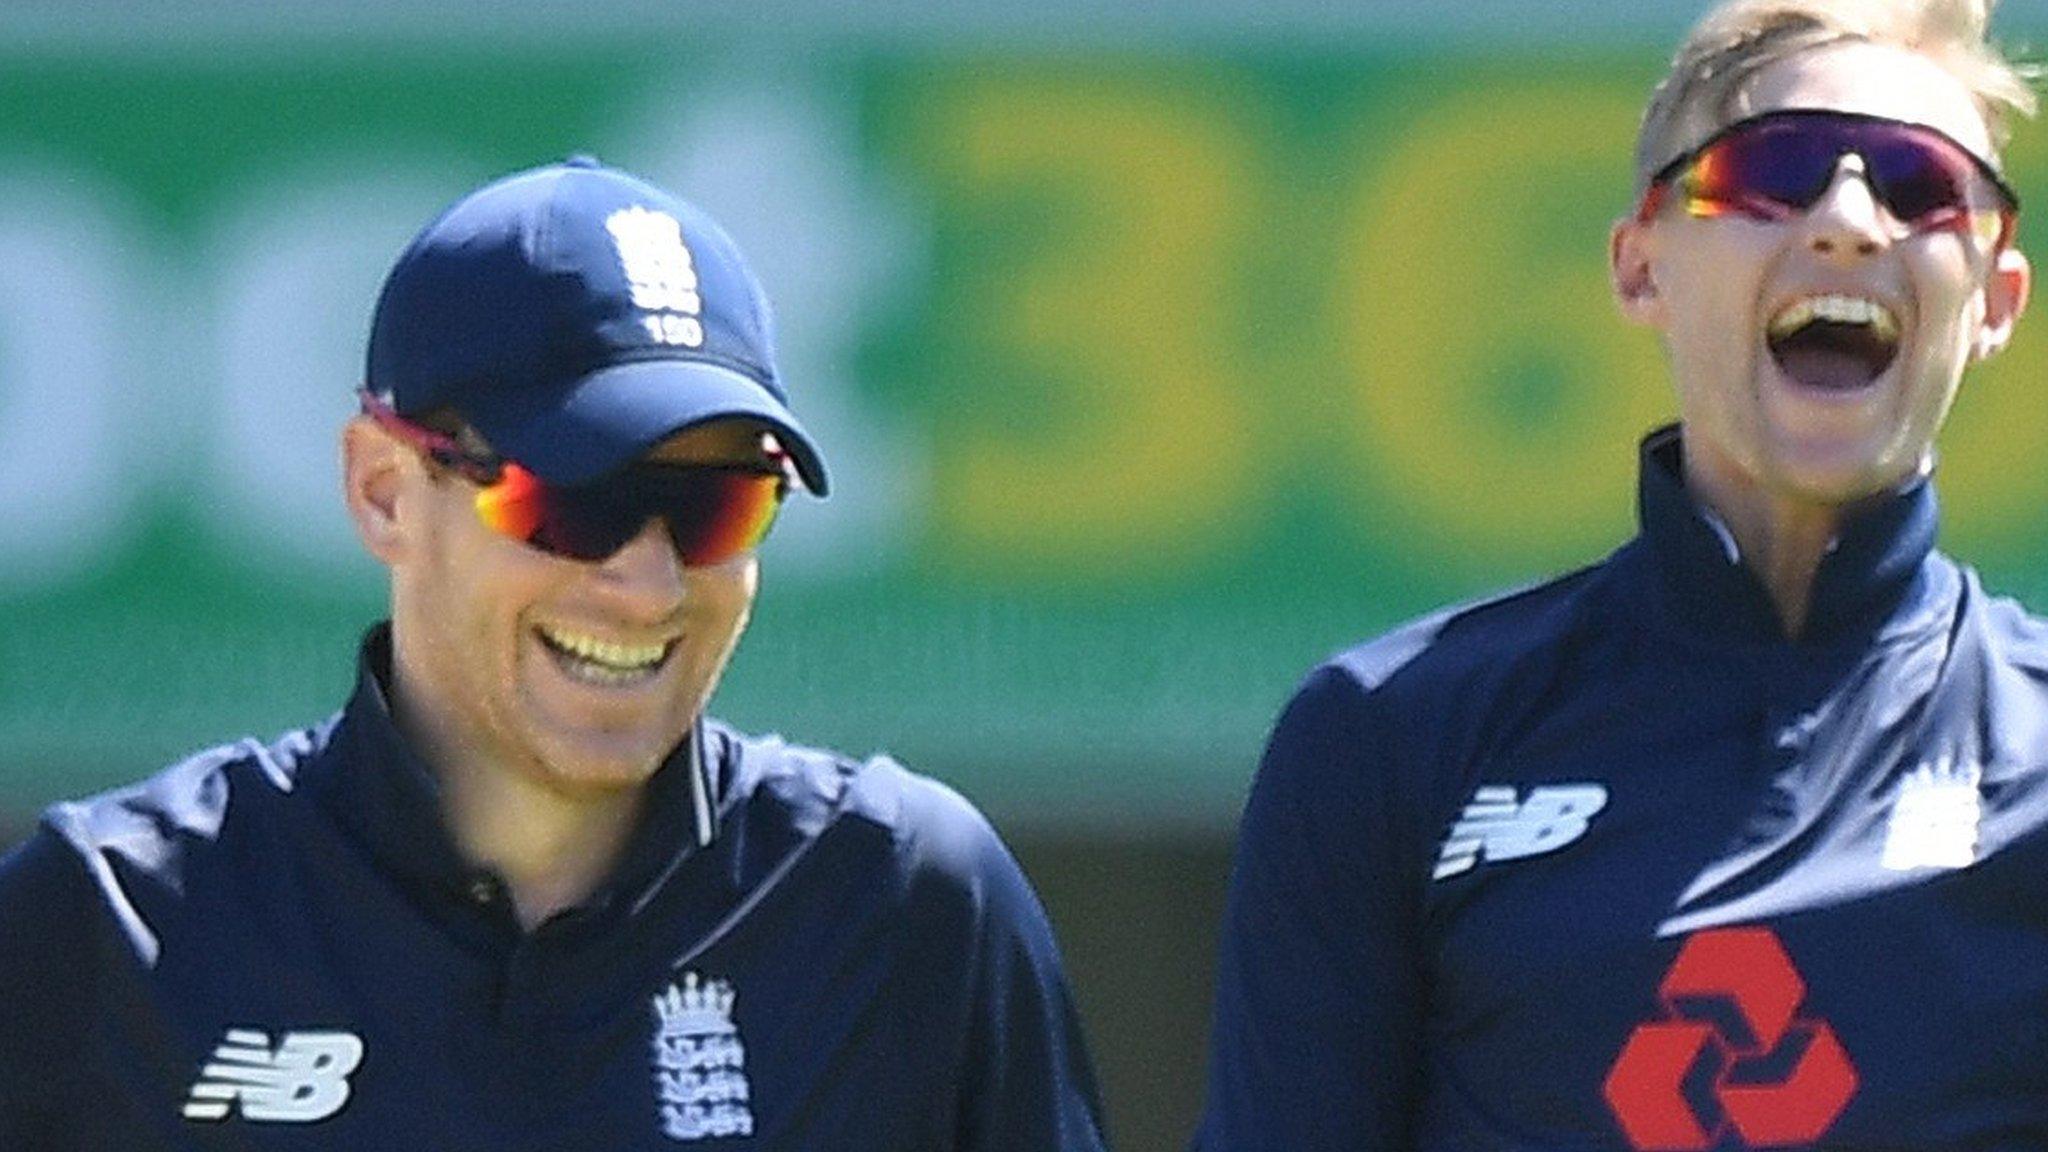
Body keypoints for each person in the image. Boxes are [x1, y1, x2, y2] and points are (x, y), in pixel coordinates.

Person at [0, 157, 1108, 1151]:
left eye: (715, 505)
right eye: (579, 499)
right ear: (383, 491)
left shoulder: (904, 904)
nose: (648, 582)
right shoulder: (103, 925)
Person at [1194, 1, 2048, 1148]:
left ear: (1995, 299)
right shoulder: (1388, 739)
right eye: (1772, 170)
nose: (1848, 220)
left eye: (1918, 186)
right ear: (1639, 266)